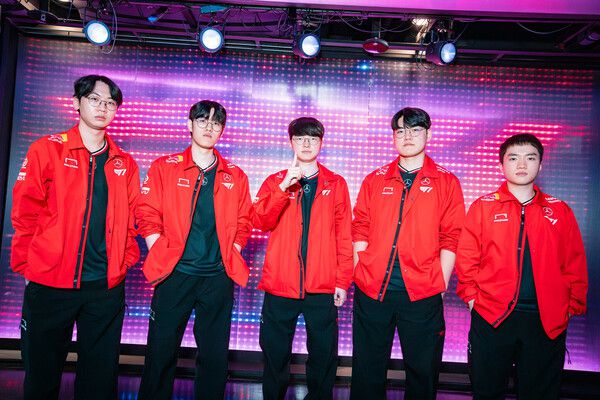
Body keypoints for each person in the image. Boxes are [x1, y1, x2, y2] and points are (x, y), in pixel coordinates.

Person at [11, 75, 140, 399]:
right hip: (50, 282)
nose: (103, 107)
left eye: (110, 103)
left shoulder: (125, 163)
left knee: (99, 380)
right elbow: (25, 211)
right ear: (76, 103)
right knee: (41, 377)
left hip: (104, 287)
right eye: (95, 99)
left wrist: (123, 262)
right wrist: (28, 266)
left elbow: (132, 221)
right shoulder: (48, 149)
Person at [455, 133, 588, 399]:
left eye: (531, 158)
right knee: (487, 391)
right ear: (501, 165)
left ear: (541, 164)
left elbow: (574, 262)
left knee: (540, 393)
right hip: (492, 316)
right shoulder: (483, 207)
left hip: (545, 320)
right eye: (513, 158)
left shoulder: (559, 210)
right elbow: (467, 257)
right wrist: (472, 299)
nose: (522, 164)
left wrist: (570, 307)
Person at [136, 100, 253, 400]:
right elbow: (147, 211)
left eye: (216, 123)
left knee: (214, 357)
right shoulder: (165, 166)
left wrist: (233, 250)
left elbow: (244, 220)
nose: (209, 127)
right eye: (202, 120)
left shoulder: (235, 175)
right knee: (161, 351)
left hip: (217, 277)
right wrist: (159, 250)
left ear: (222, 130)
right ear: (190, 125)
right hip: (176, 274)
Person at [350, 107, 465, 400]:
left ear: (428, 134)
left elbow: (452, 236)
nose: (407, 136)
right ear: (393, 137)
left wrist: (440, 284)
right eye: (400, 131)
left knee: (422, 372)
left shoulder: (446, 182)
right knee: (367, 369)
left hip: (423, 291)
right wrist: (361, 271)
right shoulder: (375, 179)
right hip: (374, 290)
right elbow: (360, 227)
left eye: (415, 130)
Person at [253, 117, 353, 400]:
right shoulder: (275, 181)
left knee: (323, 356)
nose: (306, 144)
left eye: (312, 139)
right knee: (275, 354)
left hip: (321, 286)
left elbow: (344, 235)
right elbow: (260, 220)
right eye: (300, 138)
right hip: (280, 284)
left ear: (321, 143)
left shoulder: (336, 183)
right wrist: (283, 188)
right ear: (291, 142)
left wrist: (342, 281)